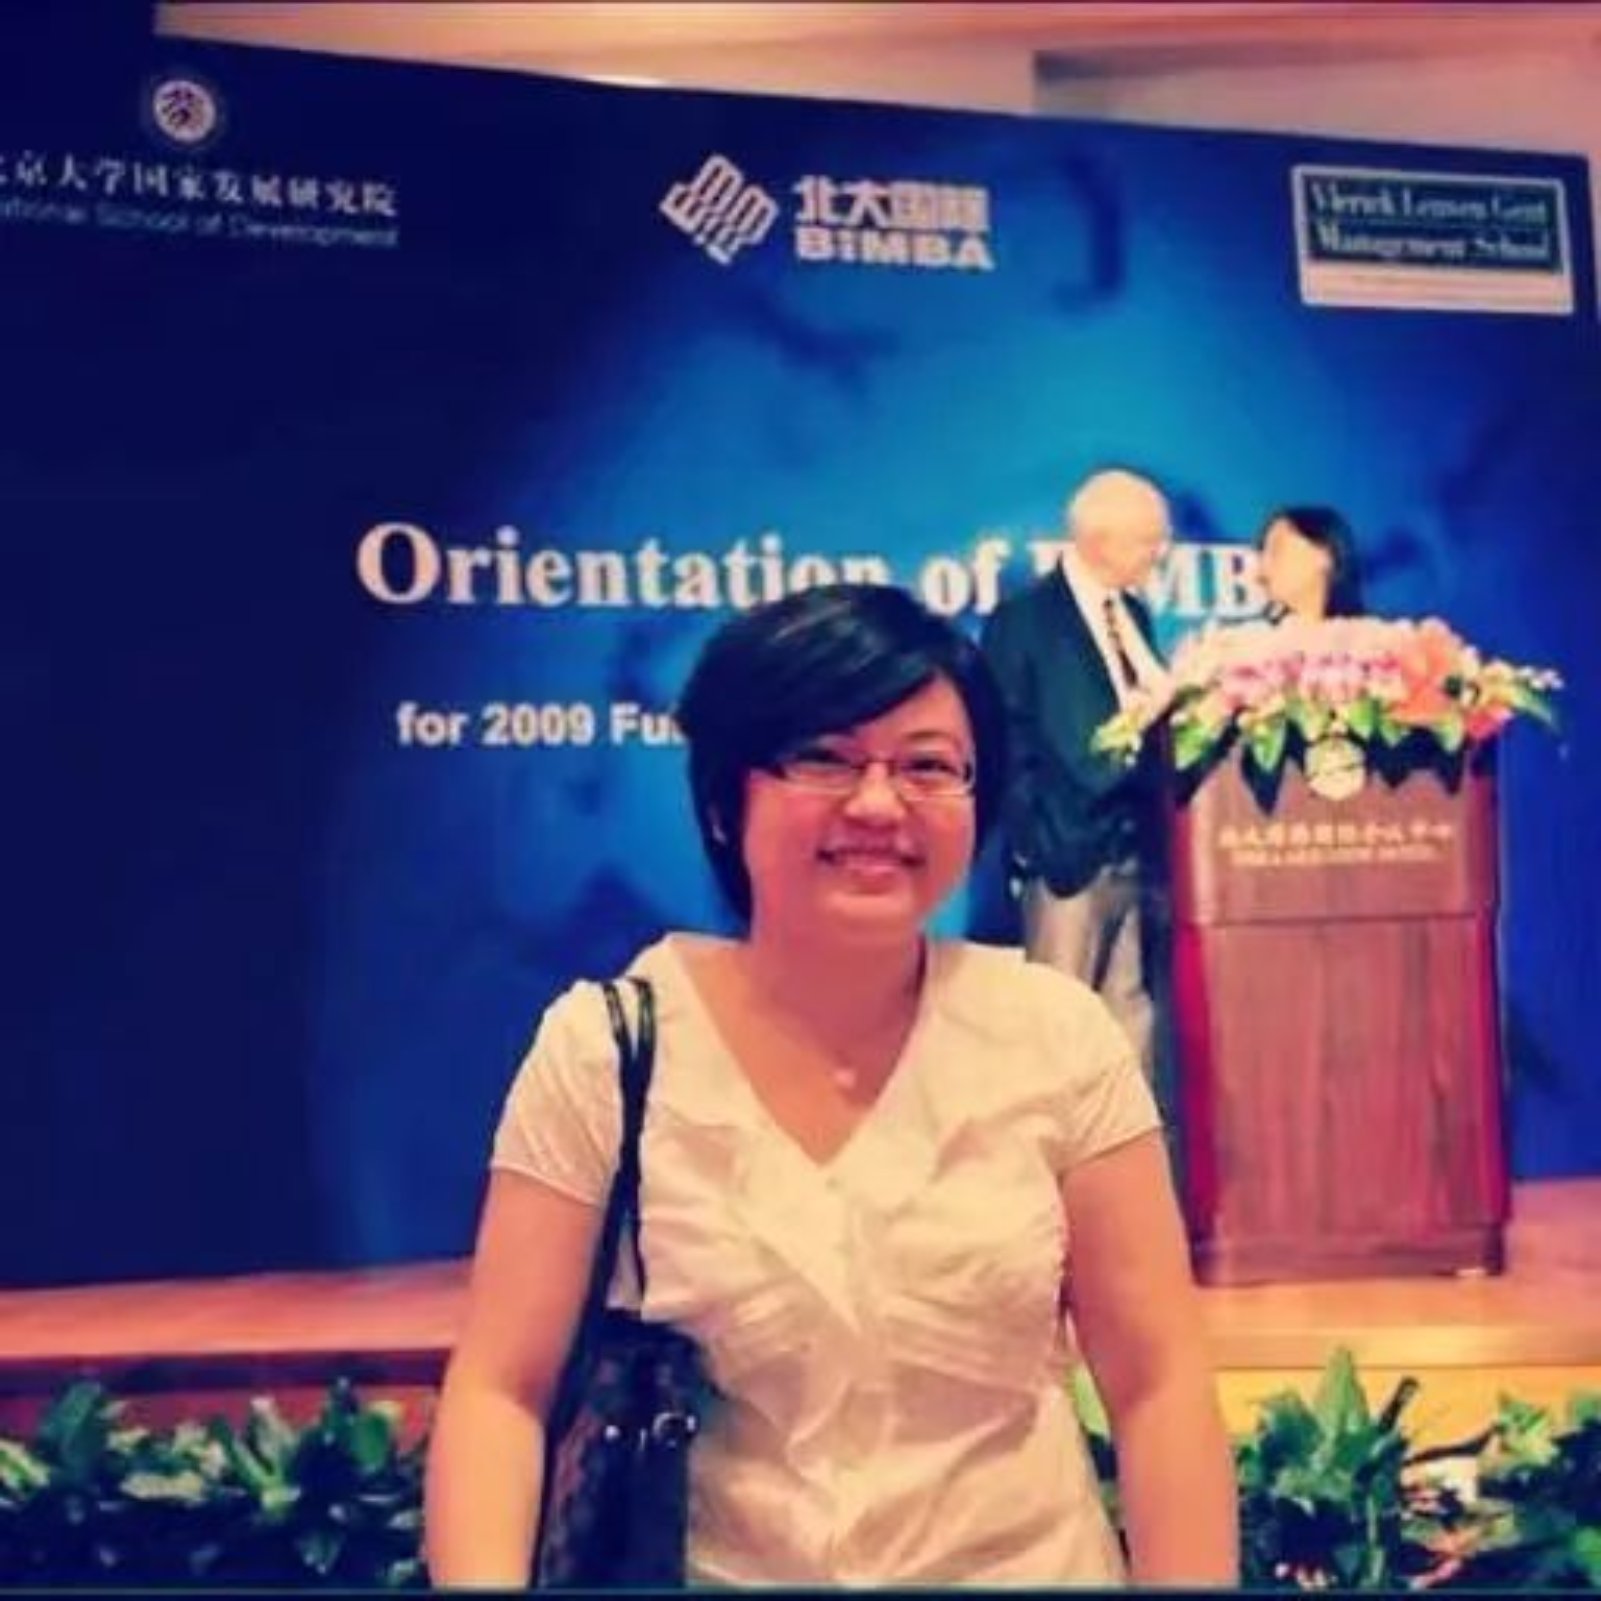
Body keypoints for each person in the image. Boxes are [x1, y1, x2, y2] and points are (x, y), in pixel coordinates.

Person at [423, 582, 1237, 1588]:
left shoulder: (1056, 1037)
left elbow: (1156, 1383)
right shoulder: (609, 1047)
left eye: (928, 765)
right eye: (824, 758)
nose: (879, 803)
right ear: (724, 800)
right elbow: (501, 1388)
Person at [979, 468, 1173, 1087]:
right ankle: (1051, 1149)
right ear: (1100, 539)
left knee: (1130, 1012)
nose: (1159, 554)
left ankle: (1130, 1141)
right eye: (1148, 541)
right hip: (1064, 857)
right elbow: (1001, 738)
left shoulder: (1135, 615)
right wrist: (1036, 841)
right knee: (1056, 1024)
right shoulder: (1023, 620)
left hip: (1132, 848)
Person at [1257, 504, 1365, 621]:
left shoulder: (1371, 631)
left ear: (1325, 554)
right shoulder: (1252, 630)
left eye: (1277, 548)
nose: (1263, 564)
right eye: (1262, 551)